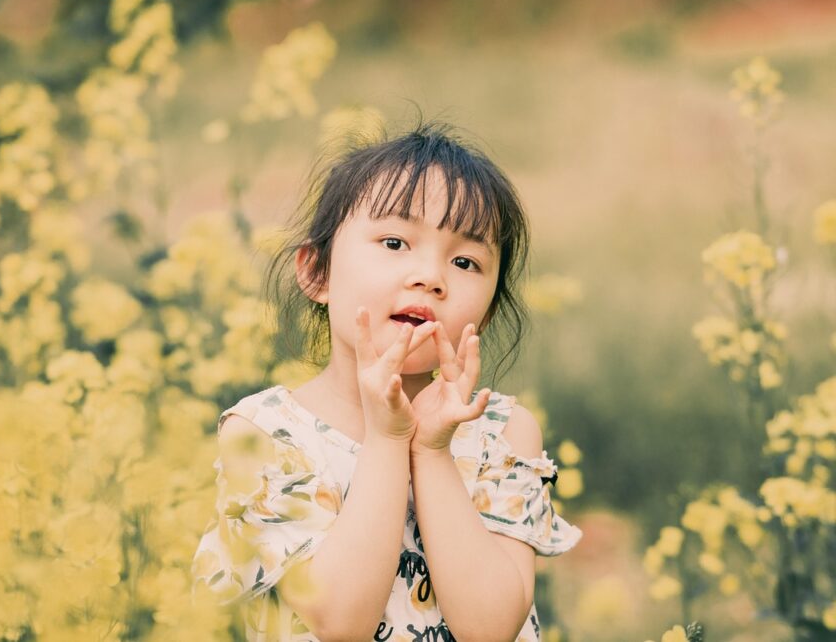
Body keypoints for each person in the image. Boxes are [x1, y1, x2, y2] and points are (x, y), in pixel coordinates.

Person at [191, 122, 582, 641]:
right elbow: (340, 621)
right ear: (317, 273)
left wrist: (433, 450)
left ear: (485, 314)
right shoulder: (265, 432)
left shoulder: (505, 433)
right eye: (395, 242)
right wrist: (389, 438)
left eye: (465, 261)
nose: (430, 277)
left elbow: (491, 629)